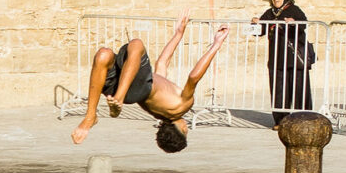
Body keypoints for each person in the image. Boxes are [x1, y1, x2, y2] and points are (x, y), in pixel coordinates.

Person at [70, 16, 230, 151]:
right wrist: (178, 34)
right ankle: (97, 113)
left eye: (186, 131)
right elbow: (162, 63)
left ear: (183, 129)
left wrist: (216, 45)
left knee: (136, 44)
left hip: (136, 88)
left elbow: (194, 77)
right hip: (129, 88)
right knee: (103, 55)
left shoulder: (182, 106)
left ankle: (94, 113)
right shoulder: (161, 111)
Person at [257, 0, 314, 120]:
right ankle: (280, 120)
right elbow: (260, 31)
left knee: (300, 88)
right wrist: (256, 24)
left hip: (295, 57)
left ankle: (304, 118)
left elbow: (304, 24)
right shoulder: (269, 13)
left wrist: (294, 23)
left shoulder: (294, 10)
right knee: (278, 90)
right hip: (276, 57)